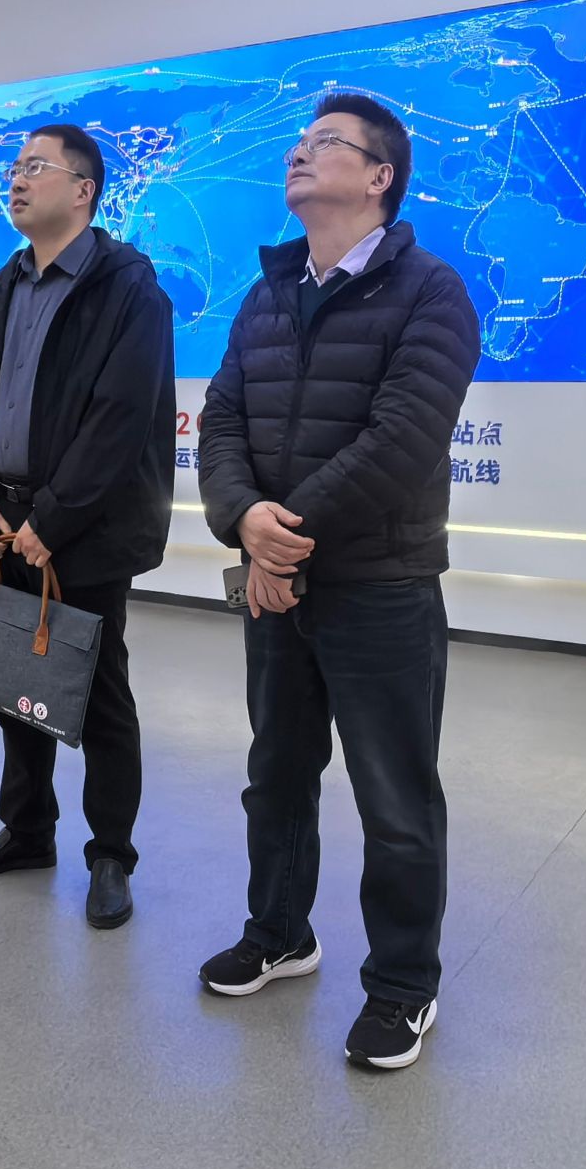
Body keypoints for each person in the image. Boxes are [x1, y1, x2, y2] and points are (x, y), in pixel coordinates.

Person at [195, 94, 479, 1070]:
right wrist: (241, 519)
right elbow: (221, 419)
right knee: (275, 772)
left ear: (379, 176)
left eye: (325, 144)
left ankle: (403, 986)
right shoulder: (268, 293)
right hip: (274, 581)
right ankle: (279, 932)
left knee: (394, 799)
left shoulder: (431, 292)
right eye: (300, 141)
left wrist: (282, 543)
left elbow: (402, 440)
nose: (300, 153)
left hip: (380, 588)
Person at [0, 124, 175, 930]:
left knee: (97, 691)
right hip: (4, 520)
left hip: (83, 528)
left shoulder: (127, 287)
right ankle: (26, 830)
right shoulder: (4, 284)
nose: (16, 179)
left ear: (83, 190)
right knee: (15, 682)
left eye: (34, 167)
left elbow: (120, 417)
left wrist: (54, 517)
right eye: (14, 168)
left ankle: (110, 854)